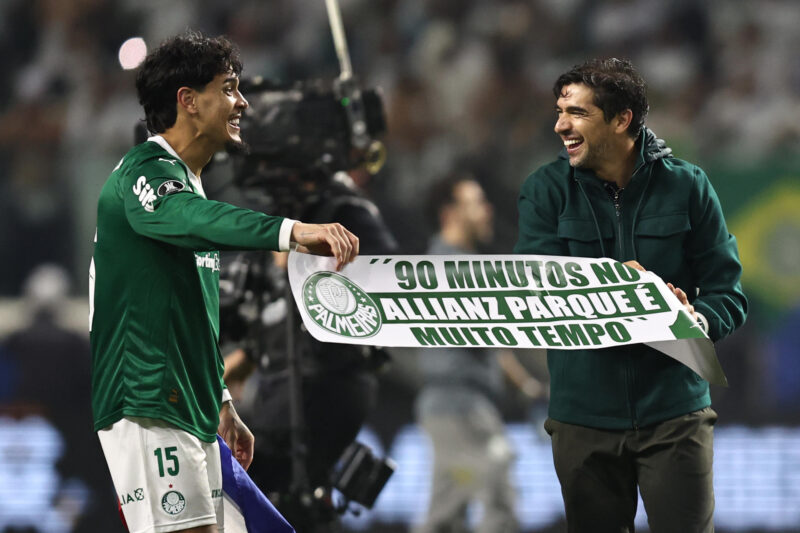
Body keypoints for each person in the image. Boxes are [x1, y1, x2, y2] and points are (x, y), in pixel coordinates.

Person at [89, 31, 359, 533]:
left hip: (187, 405)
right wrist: (292, 231)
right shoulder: (145, 174)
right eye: (230, 88)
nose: (243, 102)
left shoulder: (186, 185)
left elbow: (190, 312)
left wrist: (221, 399)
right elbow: (201, 218)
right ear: (188, 101)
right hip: (148, 401)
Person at [514, 58, 748, 532]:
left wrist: (695, 319)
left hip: (675, 413)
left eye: (577, 113)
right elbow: (537, 291)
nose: (560, 125)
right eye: (560, 111)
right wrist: (613, 285)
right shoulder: (544, 191)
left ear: (622, 119)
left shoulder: (688, 185)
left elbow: (728, 293)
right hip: (582, 417)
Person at [416, 174, 544, 533]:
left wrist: (527, 387)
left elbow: (489, 341)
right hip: (459, 408)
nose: (487, 210)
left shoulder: (466, 267)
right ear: (450, 214)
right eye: (476, 202)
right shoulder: (441, 268)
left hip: (458, 407)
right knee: (499, 500)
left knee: (444, 517)